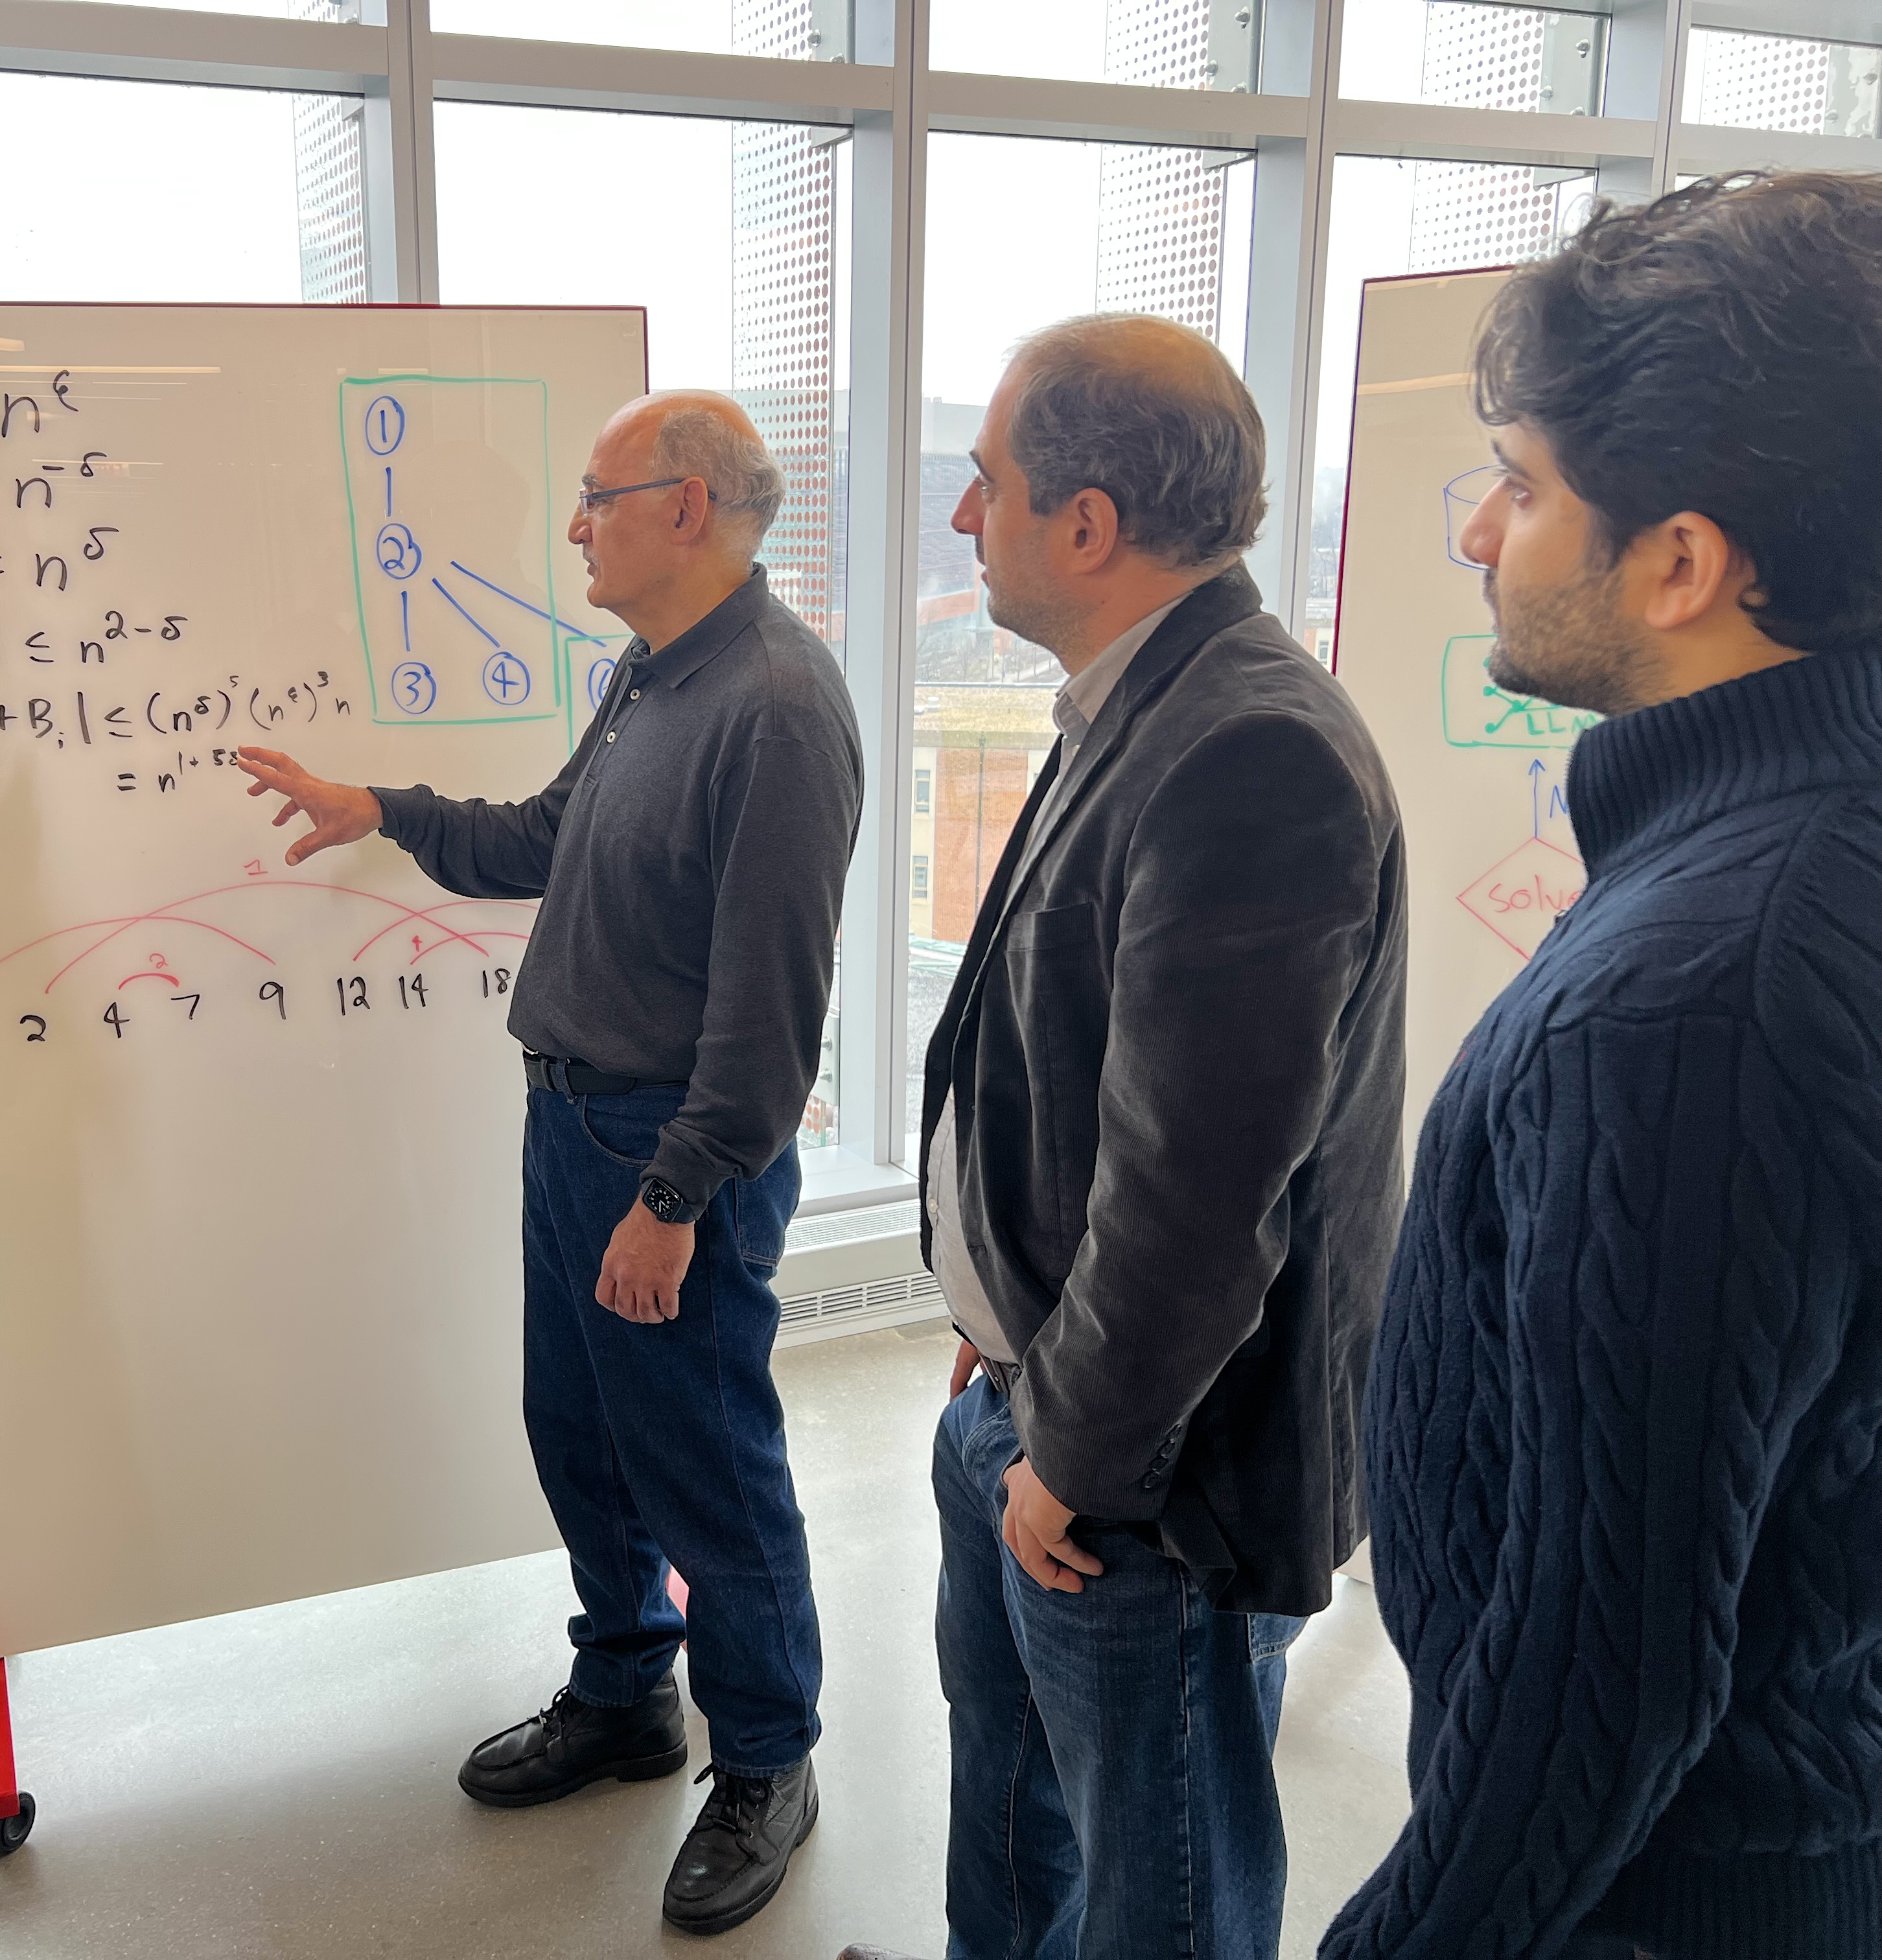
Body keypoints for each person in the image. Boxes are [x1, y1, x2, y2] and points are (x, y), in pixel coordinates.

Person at [1323, 172, 1882, 1960]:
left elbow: (1605, 1667)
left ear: (1684, 559)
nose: (1484, 533)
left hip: (1655, 1889)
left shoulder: (1692, 998)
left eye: (1525, 482)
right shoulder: (1804, 853)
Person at [236, 390, 861, 1935]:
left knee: (706, 1461)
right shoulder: (651, 678)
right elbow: (537, 842)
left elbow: (772, 1015)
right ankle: (628, 1695)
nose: (575, 524)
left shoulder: (779, 707)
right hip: (573, 1124)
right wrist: (373, 807)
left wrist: (672, 1201)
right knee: (580, 1431)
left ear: (689, 508)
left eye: (599, 495)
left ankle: (770, 1760)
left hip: (666, 1151)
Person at [842, 315, 1408, 1960]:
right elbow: (1090, 1085)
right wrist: (1001, 1310)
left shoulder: (1251, 747)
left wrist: (1074, 1451)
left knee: (1156, 1885)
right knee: (1019, 1821)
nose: (963, 519)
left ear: (1086, 524)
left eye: (987, 483)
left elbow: (1197, 1196)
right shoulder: (1146, 696)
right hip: (1037, 1394)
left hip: (1145, 1484)